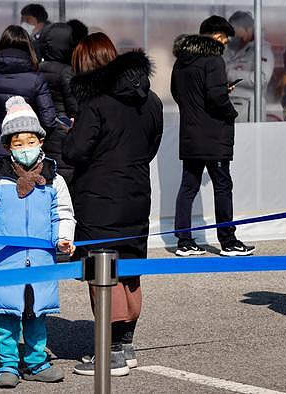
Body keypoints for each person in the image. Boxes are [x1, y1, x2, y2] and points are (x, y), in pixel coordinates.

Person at [63, 33, 163, 376]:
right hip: (137, 194)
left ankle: (111, 352)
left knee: (101, 272)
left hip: (99, 199)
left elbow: (75, 152)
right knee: (131, 269)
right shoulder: (150, 100)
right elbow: (151, 145)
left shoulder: (95, 104)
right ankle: (127, 344)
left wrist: (70, 132)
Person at [0, 96, 75, 388]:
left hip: (41, 261)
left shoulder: (54, 180)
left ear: (41, 142)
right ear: (7, 147)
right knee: (6, 318)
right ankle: (8, 365)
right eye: (18, 143)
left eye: (31, 141)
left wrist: (64, 239)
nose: (26, 148)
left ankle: (37, 362)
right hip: (5, 262)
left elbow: (62, 214)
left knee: (37, 315)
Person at [171, 16, 255, 257]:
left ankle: (184, 242)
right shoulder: (213, 60)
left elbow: (179, 93)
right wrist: (231, 112)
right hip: (213, 135)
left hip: (190, 133)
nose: (226, 42)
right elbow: (216, 98)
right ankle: (228, 241)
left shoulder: (182, 61)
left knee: (188, 186)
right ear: (213, 36)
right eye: (224, 37)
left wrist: (201, 104)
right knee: (222, 185)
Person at [0, 25, 56, 177]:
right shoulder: (36, 80)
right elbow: (48, 120)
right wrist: (31, 138)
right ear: (29, 48)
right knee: (25, 197)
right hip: (27, 154)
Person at [38, 22, 78, 184]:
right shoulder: (67, 72)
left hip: (41, 134)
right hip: (62, 135)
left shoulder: (37, 69)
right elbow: (74, 108)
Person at [223, 11, 274, 122]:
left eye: (236, 31)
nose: (233, 35)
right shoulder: (229, 49)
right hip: (228, 107)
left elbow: (261, 79)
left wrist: (229, 74)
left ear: (248, 29)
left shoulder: (262, 49)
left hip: (250, 111)